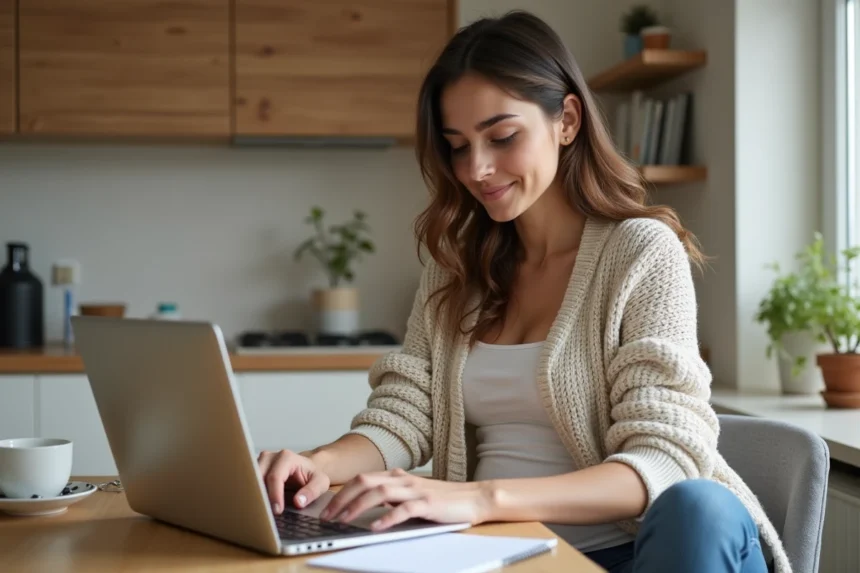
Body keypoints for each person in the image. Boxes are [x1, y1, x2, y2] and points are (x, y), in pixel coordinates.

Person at [257, 10, 790, 573]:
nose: (477, 168)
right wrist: (320, 462)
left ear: (566, 119)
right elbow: (403, 415)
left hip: (637, 552)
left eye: (502, 136)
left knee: (699, 505)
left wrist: (483, 499)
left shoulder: (641, 252)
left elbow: (665, 459)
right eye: (458, 145)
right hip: (495, 555)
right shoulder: (455, 269)